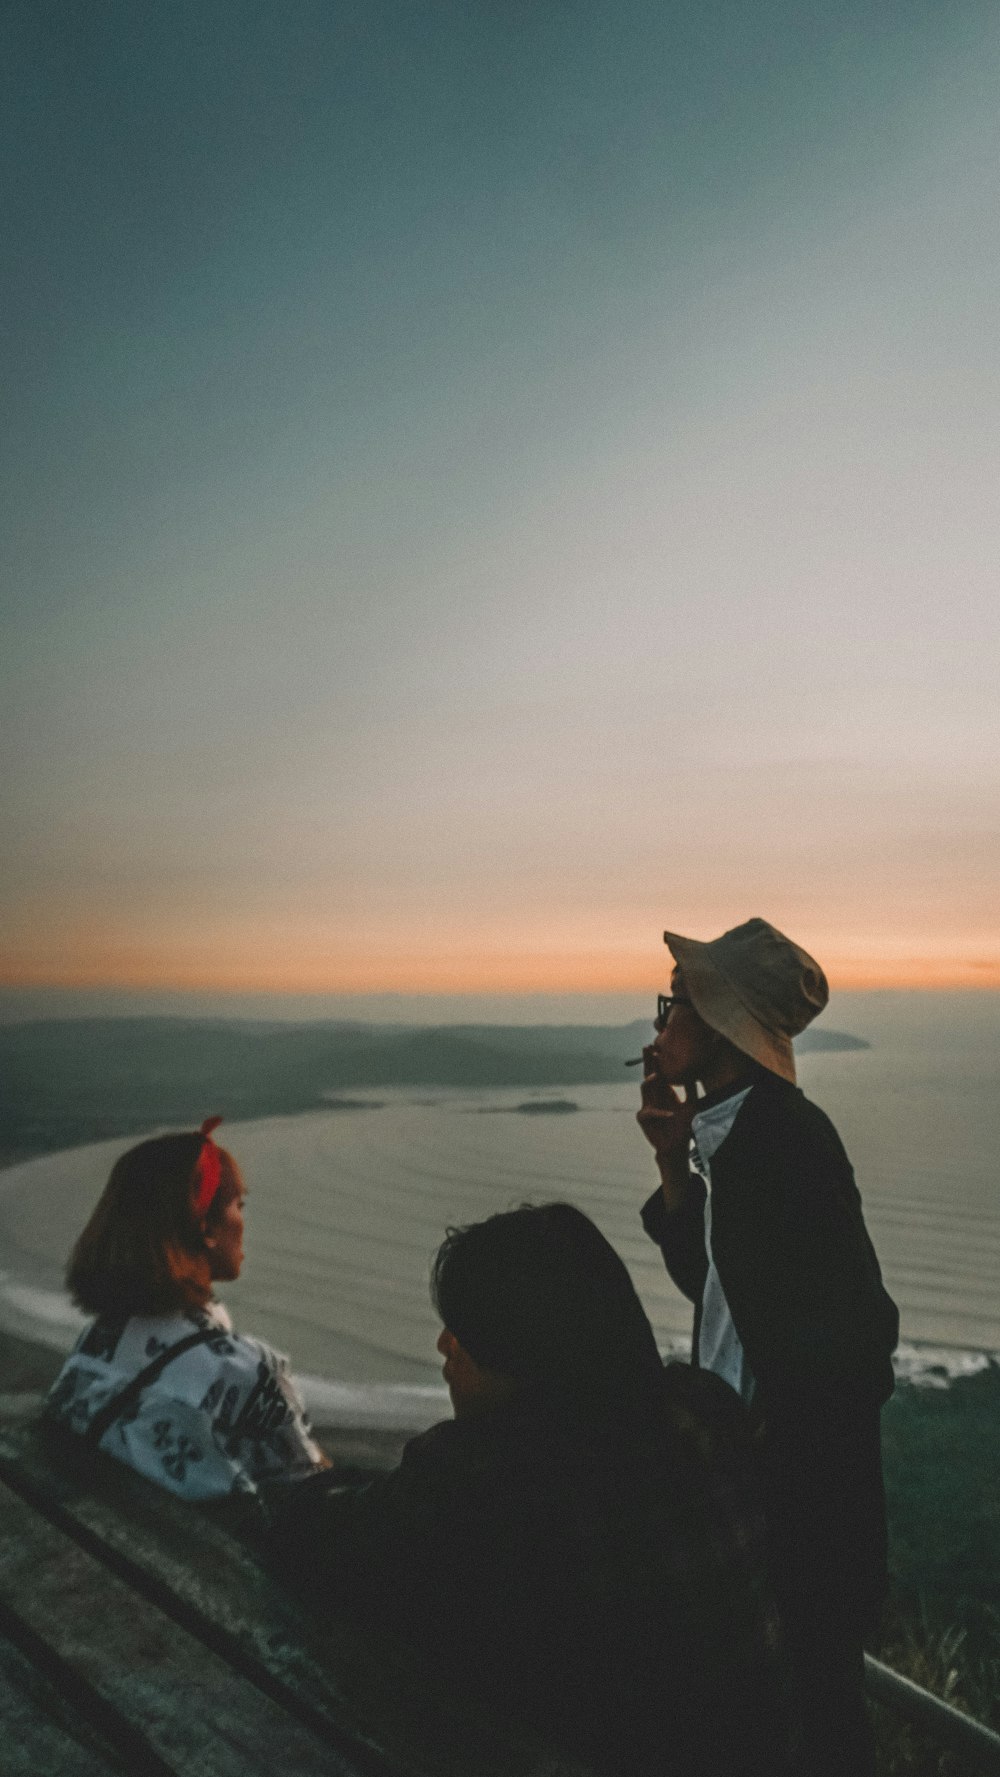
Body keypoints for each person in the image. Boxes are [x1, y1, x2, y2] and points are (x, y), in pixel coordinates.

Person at [266, 1203, 797, 1777]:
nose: (445, 1345)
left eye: (463, 1334)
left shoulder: (488, 1474)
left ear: (518, 1352)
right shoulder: (705, 1409)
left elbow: (322, 1546)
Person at [636, 917, 899, 1777]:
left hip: (800, 1519)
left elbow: (862, 1342)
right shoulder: (739, 1137)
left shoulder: (786, 1144)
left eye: (676, 1002)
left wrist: (756, 1448)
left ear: (717, 1020)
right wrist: (675, 1163)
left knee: (814, 1734)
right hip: (772, 1503)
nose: (661, 1021)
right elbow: (722, 1296)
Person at [45, 1119, 326, 1500]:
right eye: (238, 1205)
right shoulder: (243, 1375)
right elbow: (315, 1503)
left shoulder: (97, 1341)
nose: (243, 1221)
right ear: (205, 1227)